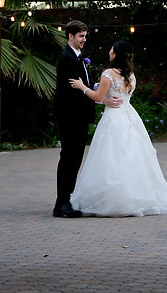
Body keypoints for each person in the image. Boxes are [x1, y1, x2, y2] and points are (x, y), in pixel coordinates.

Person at [69, 40, 167, 217]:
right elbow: (117, 96)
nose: (109, 52)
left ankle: (113, 199)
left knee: (110, 156)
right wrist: (105, 98)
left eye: (111, 50)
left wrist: (82, 87)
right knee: (134, 155)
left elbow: (97, 96)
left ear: (115, 54)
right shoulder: (131, 75)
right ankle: (137, 196)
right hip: (129, 116)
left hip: (114, 117)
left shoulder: (108, 74)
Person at [53, 20, 121, 219]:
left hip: (79, 117)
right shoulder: (67, 58)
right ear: (70, 36)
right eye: (81, 36)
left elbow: (84, 87)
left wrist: (99, 96)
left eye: (85, 36)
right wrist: (99, 98)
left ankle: (68, 199)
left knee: (74, 159)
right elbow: (72, 92)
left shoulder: (77, 57)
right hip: (70, 116)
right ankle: (61, 203)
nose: (84, 40)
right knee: (68, 158)